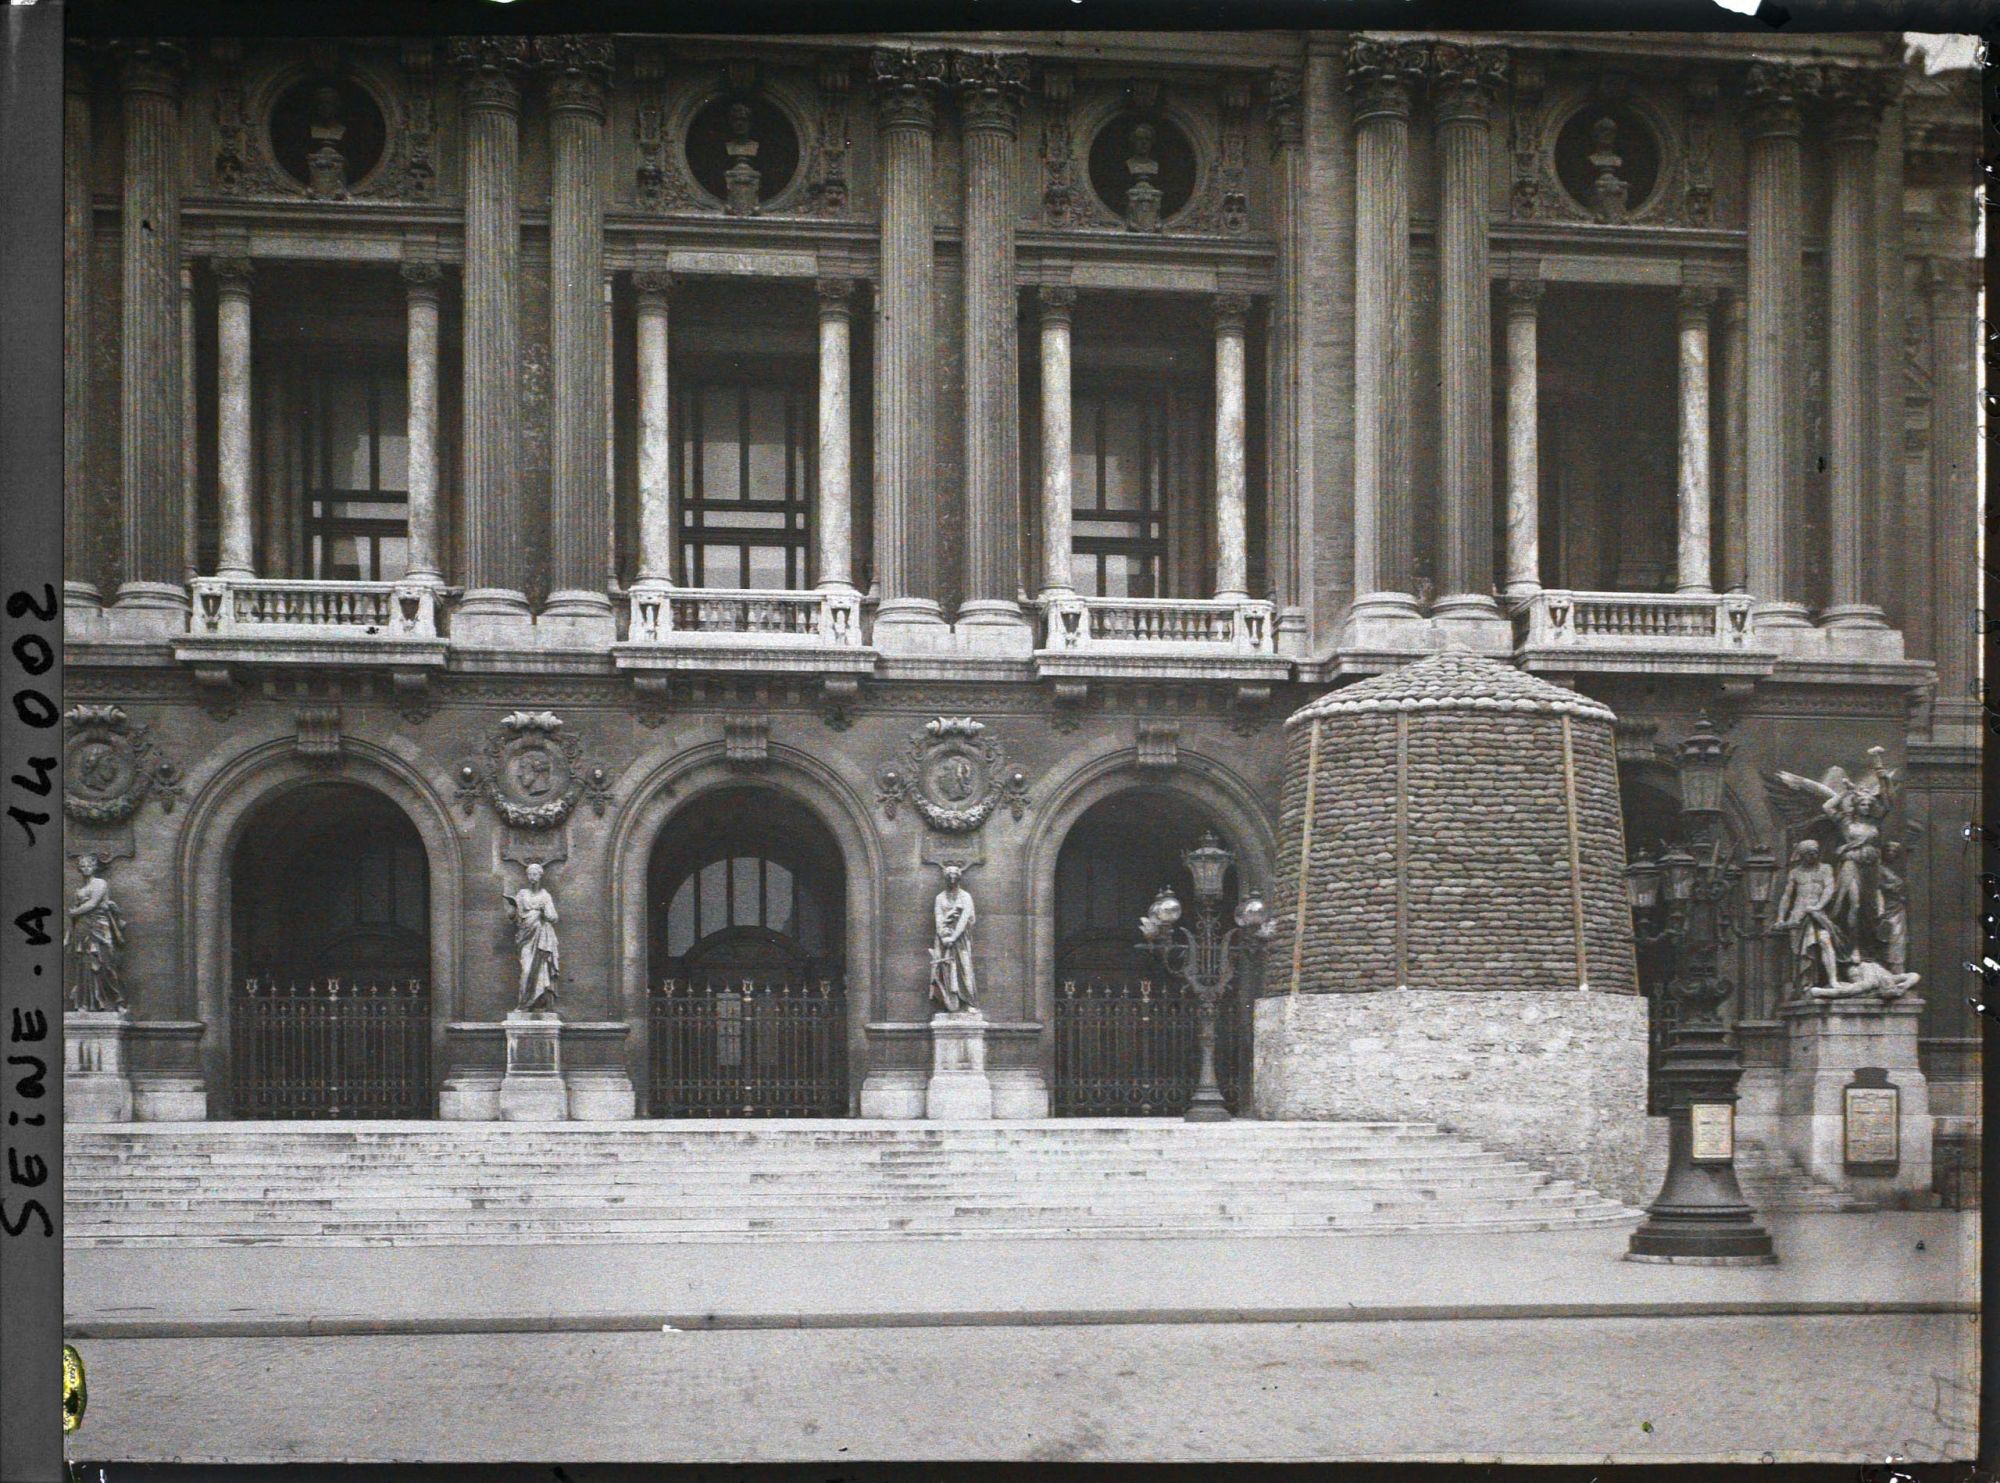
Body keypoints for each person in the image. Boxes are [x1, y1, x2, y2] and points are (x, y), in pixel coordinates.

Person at [1773, 839, 1840, 996]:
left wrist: (1818, 906)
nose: (1813, 856)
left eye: (1815, 853)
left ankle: (1833, 980)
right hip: (1799, 915)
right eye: (1809, 853)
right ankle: (1805, 985)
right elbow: (1787, 896)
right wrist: (1780, 918)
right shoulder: (1795, 872)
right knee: (1801, 953)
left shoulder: (1825, 869)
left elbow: (1829, 889)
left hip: (1817, 914)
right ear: (1802, 855)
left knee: (1825, 941)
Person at [63, 854, 127, 1013]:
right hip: (82, 927)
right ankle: (86, 1003)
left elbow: (92, 904)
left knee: (105, 962)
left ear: (95, 867)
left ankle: (116, 1001)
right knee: (84, 964)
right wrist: (67, 936)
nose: (86, 869)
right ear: (79, 869)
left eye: (89, 865)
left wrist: (74, 911)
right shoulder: (80, 890)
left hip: (99, 926)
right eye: (83, 866)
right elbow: (73, 918)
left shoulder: (100, 883)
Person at [504, 862, 561, 1013]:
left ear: (540, 875)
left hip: (541, 937)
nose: (532, 877)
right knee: (526, 970)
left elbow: (554, 917)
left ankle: (536, 1003)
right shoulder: (522, 894)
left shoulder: (545, 896)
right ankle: (523, 1003)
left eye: (535, 874)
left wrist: (543, 911)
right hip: (525, 936)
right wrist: (513, 907)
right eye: (529, 874)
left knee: (540, 969)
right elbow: (512, 917)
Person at [928, 864, 977, 1014]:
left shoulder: (965, 897)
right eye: (949, 877)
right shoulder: (940, 898)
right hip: (943, 940)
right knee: (945, 969)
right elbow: (938, 917)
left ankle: (968, 1002)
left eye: (955, 876)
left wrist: (954, 937)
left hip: (961, 941)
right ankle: (948, 1003)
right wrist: (944, 936)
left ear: (958, 878)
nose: (952, 879)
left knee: (964, 968)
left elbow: (965, 918)